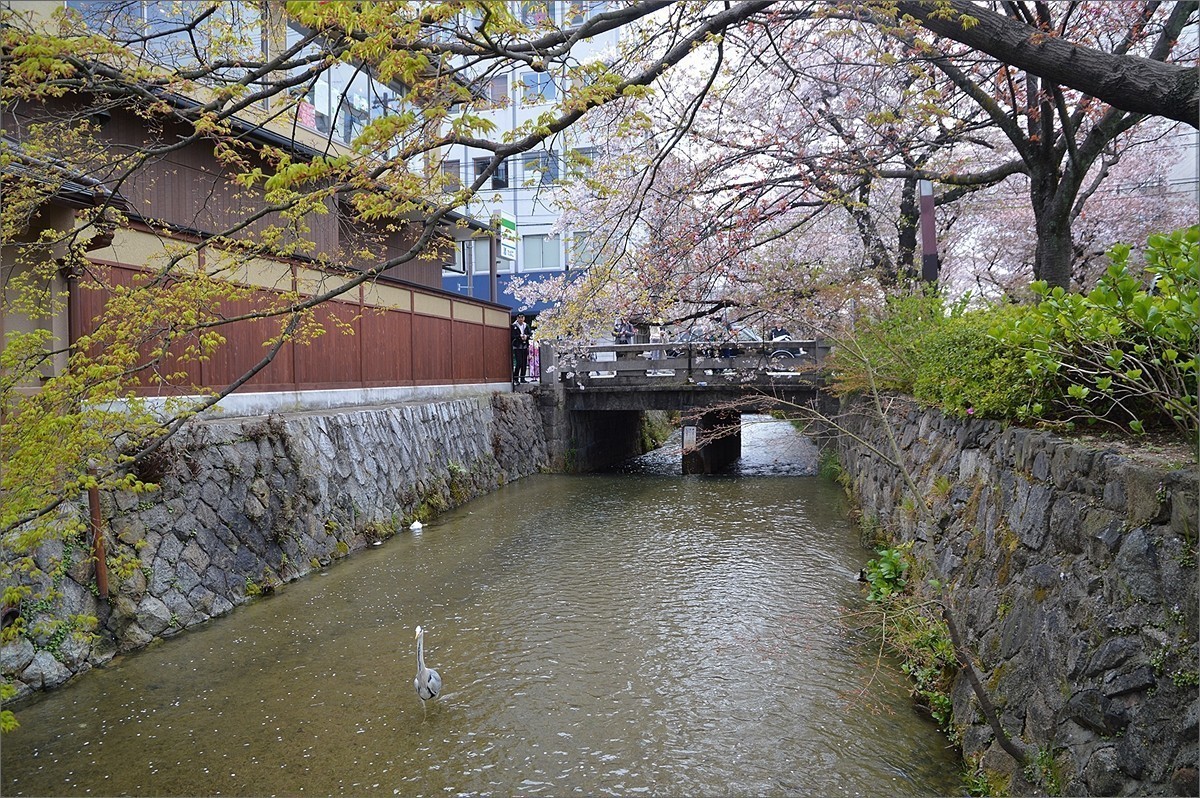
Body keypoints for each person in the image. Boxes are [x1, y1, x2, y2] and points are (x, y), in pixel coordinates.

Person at [512, 313, 530, 385]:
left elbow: (530, 334)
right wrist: (519, 337)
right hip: (517, 346)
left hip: (525, 345)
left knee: (524, 363)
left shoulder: (526, 326)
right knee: (519, 362)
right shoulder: (514, 326)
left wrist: (526, 336)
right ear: (517, 318)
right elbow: (513, 335)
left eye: (522, 317)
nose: (521, 319)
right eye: (519, 318)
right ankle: (515, 378)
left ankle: (523, 378)